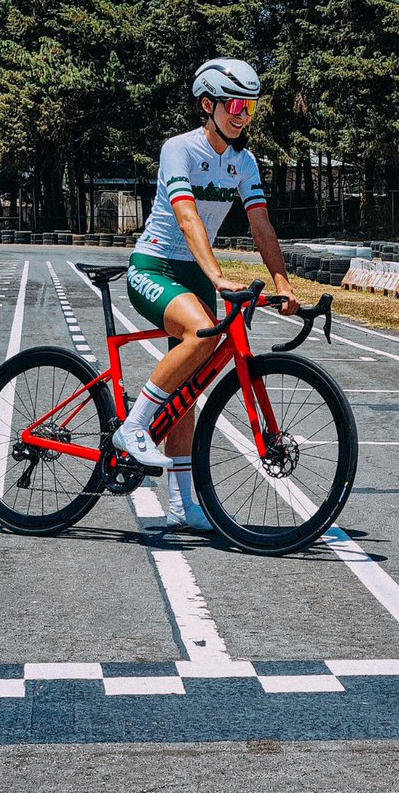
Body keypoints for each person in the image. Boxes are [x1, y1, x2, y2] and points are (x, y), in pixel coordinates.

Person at [112, 56, 300, 532]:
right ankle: (133, 427)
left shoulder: (244, 162)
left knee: (188, 392)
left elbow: (261, 223)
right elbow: (187, 216)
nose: (242, 115)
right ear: (207, 104)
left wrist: (282, 282)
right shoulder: (179, 149)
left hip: (194, 277)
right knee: (202, 333)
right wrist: (218, 277)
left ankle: (182, 505)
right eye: (234, 105)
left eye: (250, 108)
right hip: (154, 266)